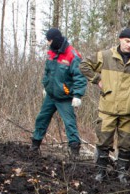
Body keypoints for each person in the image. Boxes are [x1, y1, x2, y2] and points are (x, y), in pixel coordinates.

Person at [80, 28, 130, 183]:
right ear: (120, 39)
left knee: (126, 145)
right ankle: (100, 172)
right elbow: (83, 65)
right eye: (127, 41)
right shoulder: (106, 56)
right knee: (103, 141)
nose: (129, 45)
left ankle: (122, 174)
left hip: (128, 111)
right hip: (107, 108)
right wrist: (97, 79)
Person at [30, 28, 87, 158]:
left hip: (65, 97)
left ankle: (74, 152)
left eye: (49, 40)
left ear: (55, 39)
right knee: (41, 119)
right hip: (51, 96)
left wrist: (77, 95)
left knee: (69, 124)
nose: (48, 43)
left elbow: (80, 76)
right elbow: (48, 71)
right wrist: (46, 86)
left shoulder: (73, 55)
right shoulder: (51, 53)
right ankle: (34, 146)